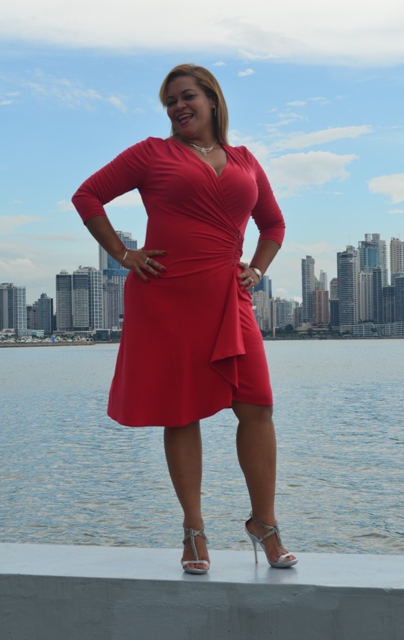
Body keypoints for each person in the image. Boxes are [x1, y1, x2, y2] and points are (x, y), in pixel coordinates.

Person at [72, 63, 297, 574]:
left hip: (228, 298)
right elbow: (87, 196)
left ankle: (264, 523)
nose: (178, 107)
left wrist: (257, 269)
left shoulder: (245, 160)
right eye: (170, 101)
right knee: (181, 412)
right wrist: (123, 254)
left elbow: (274, 223)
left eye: (187, 96)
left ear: (212, 100)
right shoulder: (151, 153)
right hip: (166, 298)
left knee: (258, 406)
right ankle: (194, 532)